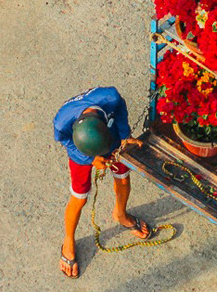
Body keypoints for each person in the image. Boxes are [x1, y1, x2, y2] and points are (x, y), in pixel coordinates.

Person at [53, 86, 151, 277]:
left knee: (123, 179)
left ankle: (120, 214)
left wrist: (124, 135)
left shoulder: (110, 98)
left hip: (112, 140)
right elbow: (64, 140)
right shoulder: (61, 123)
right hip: (80, 153)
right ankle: (68, 240)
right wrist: (90, 159)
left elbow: (121, 107)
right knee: (79, 198)